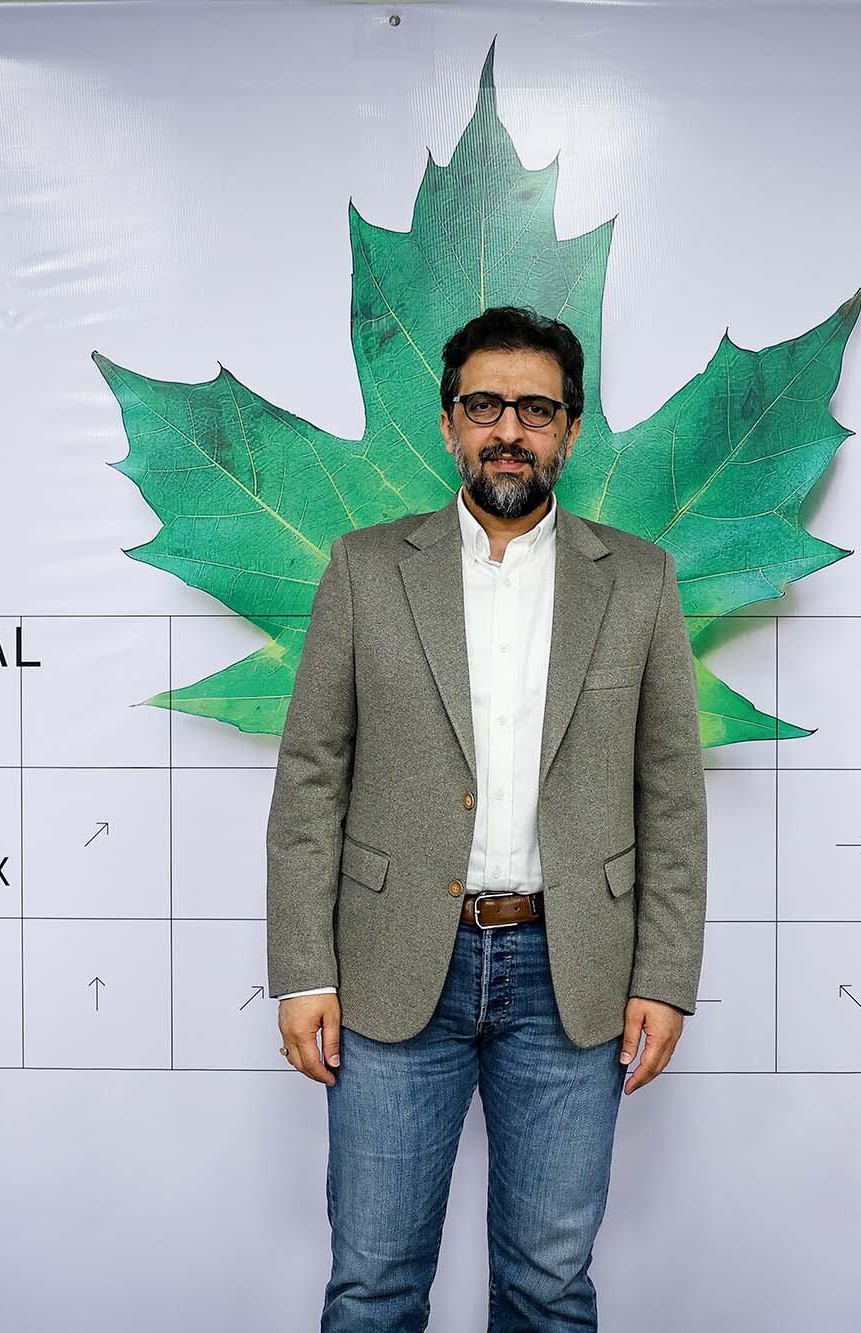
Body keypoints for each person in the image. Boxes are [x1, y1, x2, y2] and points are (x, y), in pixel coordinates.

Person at [265, 305, 709, 1332]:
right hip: (387, 966)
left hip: (573, 971)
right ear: (448, 421)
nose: (509, 430)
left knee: (548, 1285)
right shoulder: (364, 567)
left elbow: (671, 796)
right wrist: (302, 969)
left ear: (571, 430)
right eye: (484, 406)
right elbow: (311, 777)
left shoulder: (639, 580)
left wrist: (664, 975)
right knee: (373, 1283)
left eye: (536, 410)